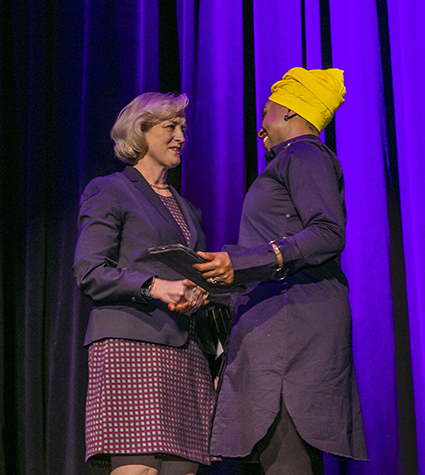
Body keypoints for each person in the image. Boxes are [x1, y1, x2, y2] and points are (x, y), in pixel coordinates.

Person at [194, 68, 368, 474]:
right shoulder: (293, 160)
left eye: (267, 112)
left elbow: (327, 233)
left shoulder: (305, 155)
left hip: (294, 330)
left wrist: (246, 262)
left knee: (287, 455)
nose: (260, 128)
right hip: (281, 322)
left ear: (291, 112)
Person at [73, 92, 219, 475]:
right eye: (170, 127)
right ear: (140, 132)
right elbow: (89, 270)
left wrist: (203, 294)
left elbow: (199, 279)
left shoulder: (189, 209)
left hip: (187, 353)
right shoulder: (111, 190)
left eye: (183, 129)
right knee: (140, 470)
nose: (181, 137)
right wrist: (156, 286)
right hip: (132, 345)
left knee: (181, 470)